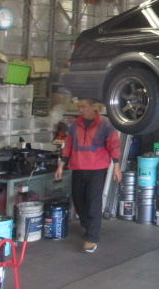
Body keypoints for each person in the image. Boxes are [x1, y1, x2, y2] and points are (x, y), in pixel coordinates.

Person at [55, 98, 122, 253]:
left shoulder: (105, 124)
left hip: (97, 169)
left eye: (83, 107)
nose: (80, 110)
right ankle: (88, 224)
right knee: (78, 200)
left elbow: (114, 145)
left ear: (93, 107)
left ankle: (91, 238)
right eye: (79, 107)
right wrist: (61, 165)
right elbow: (68, 146)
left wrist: (117, 167)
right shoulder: (75, 125)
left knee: (93, 203)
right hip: (78, 168)